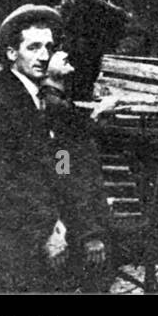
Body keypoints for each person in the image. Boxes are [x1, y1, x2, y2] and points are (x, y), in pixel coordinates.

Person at [0, 5, 69, 293]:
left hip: (42, 233)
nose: (43, 56)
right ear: (12, 53)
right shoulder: (0, 103)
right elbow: (1, 181)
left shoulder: (39, 99)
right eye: (33, 47)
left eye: (48, 47)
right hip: (14, 241)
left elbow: (53, 169)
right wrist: (46, 231)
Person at [39, 48, 111, 292]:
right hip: (78, 226)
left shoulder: (59, 105)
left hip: (76, 221)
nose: (63, 54)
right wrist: (90, 233)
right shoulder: (56, 110)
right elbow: (66, 176)